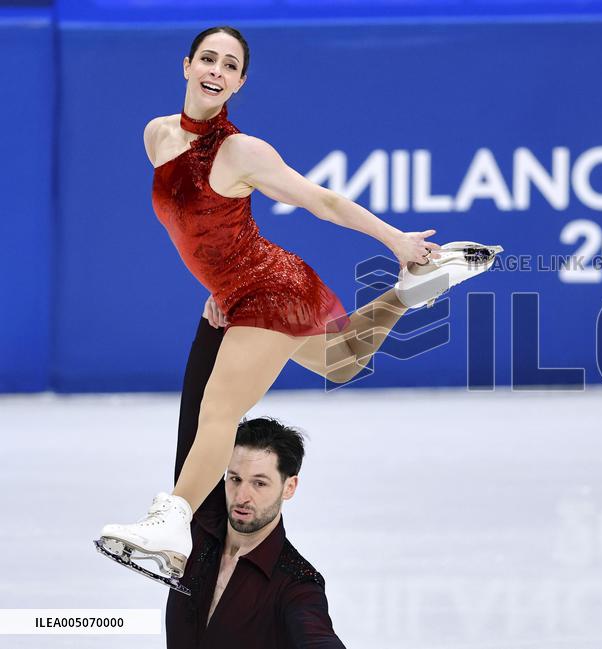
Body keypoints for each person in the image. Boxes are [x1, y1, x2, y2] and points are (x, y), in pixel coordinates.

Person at [97, 25, 500, 586]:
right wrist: (216, 287)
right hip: (238, 289)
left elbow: (324, 201)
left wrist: (397, 242)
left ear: (239, 82)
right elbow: (196, 228)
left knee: (217, 410)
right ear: (186, 65)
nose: (216, 71)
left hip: (272, 287)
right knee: (343, 361)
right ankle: (410, 294)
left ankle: (172, 522)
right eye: (207, 59)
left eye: (229, 66)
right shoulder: (156, 137)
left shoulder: (243, 151)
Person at [166, 306, 345, 648]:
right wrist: (211, 328)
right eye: (234, 479)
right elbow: (196, 416)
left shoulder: (296, 583)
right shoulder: (200, 522)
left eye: (260, 483)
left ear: (289, 487)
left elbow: (318, 637)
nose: (242, 496)